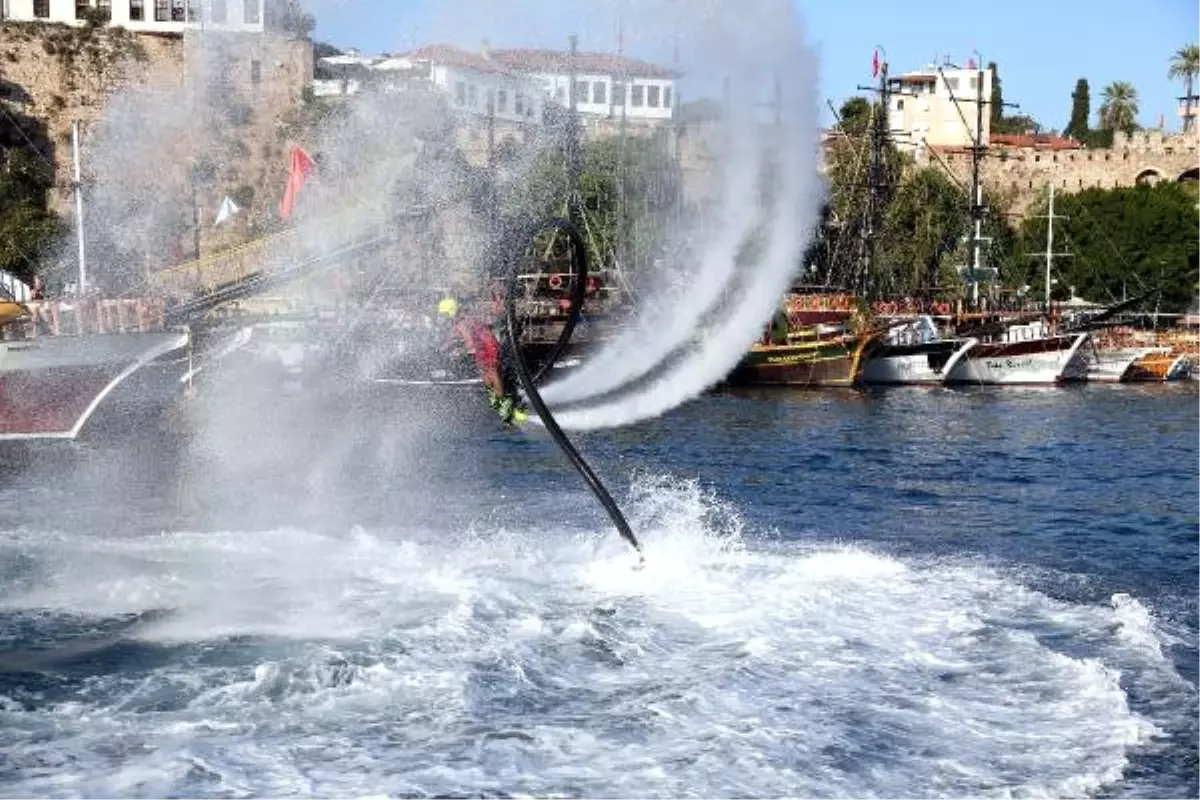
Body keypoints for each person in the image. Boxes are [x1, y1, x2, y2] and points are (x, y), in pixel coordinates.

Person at [439, 297, 529, 426]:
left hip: (489, 347)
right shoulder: (459, 322)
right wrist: (444, 347)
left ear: (451, 311)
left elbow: (470, 341)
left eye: (445, 314)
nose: (444, 318)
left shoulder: (463, 322)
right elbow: (454, 337)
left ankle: (505, 403)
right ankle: (500, 401)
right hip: (482, 349)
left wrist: (459, 350)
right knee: (486, 374)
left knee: (492, 372)